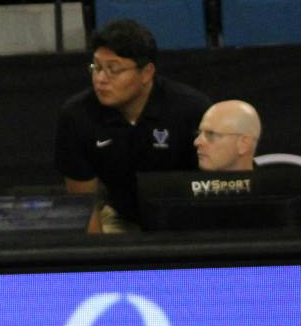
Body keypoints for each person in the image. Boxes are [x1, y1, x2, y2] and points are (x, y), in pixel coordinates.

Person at [56, 18, 214, 234]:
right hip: (122, 217)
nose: (100, 79)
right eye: (97, 67)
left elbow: (219, 183)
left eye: (113, 69)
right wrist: (97, 260)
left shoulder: (191, 108)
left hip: (189, 217)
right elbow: (84, 204)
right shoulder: (76, 115)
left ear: (147, 73)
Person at [196, 100, 262, 173]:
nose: (197, 142)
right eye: (199, 133)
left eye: (210, 134)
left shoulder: (270, 184)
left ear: (244, 144)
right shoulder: (184, 183)